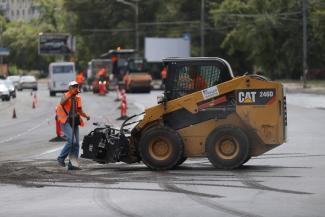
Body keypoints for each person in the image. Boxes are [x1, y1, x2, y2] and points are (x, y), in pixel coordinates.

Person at [56, 81, 90, 170]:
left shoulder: (77, 98)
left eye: (77, 86)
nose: (76, 88)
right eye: (74, 87)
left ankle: (73, 164)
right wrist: (70, 95)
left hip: (74, 121)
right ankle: (61, 158)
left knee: (76, 144)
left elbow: (79, 110)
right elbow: (62, 103)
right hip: (65, 120)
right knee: (72, 141)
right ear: (70, 88)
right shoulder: (65, 95)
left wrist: (86, 116)